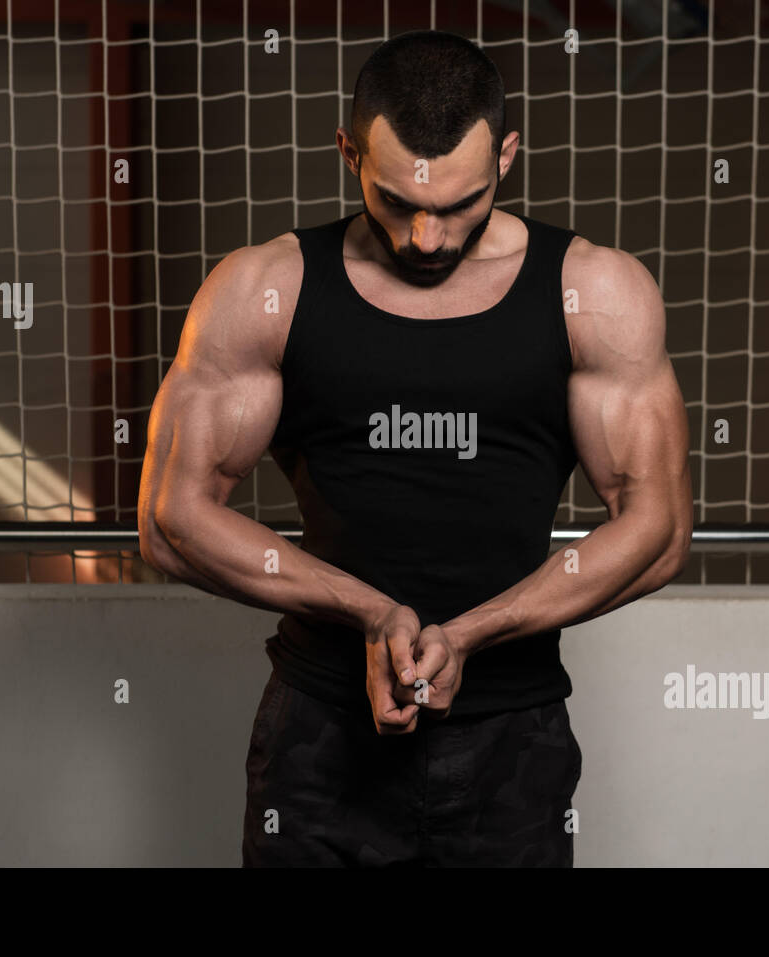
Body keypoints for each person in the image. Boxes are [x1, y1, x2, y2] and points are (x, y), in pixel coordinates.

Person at [138, 29, 692, 866]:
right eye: (396, 202)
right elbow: (170, 519)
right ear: (347, 152)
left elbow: (656, 527)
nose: (425, 239)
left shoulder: (595, 293)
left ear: (506, 155)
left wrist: (474, 633)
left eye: (457, 205)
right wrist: (368, 611)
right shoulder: (265, 289)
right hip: (321, 736)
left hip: (514, 738)